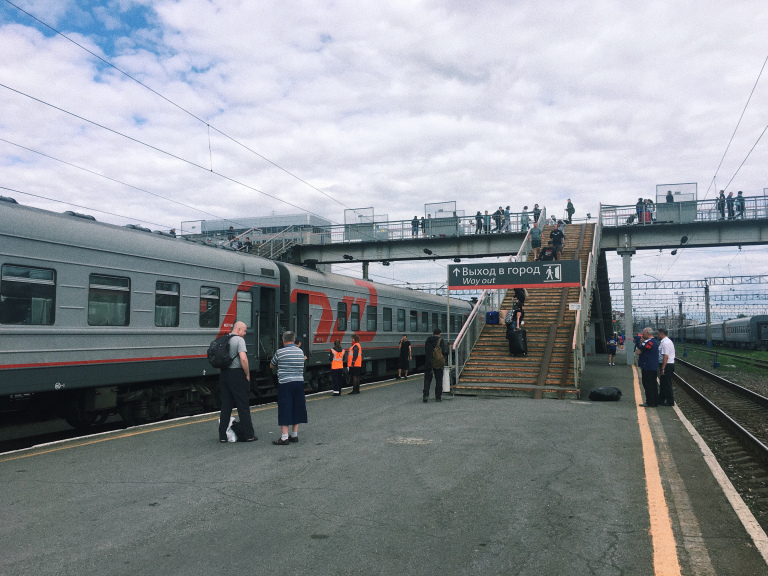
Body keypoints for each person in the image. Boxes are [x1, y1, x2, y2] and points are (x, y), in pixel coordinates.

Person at [218, 321, 256, 442]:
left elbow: (219, 360)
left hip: (224, 374)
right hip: (237, 374)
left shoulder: (223, 340)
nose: (245, 333)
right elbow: (243, 358)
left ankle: (223, 436)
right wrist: (247, 374)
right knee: (243, 405)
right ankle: (249, 435)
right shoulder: (239, 340)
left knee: (226, 405)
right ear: (238, 329)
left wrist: (223, 373)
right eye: (244, 331)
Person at [270, 330, 308, 445]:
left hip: (285, 383)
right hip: (299, 383)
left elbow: (271, 365)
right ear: (294, 340)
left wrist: (280, 367)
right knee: (297, 406)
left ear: (283, 340)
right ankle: (294, 435)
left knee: (285, 406)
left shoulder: (280, 352)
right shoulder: (300, 352)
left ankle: (284, 437)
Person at [635, 327, 659, 407]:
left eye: (644, 333)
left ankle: (650, 402)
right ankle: (655, 401)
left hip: (647, 366)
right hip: (652, 366)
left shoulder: (648, 342)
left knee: (648, 384)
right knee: (653, 384)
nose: (642, 334)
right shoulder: (654, 341)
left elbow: (638, 352)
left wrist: (641, 344)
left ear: (648, 333)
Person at [423, 329, 448, 402]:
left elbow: (426, 350)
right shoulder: (440, 340)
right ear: (440, 334)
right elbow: (443, 352)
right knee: (439, 380)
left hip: (428, 362)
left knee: (427, 380)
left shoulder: (428, 340)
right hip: (437, 363)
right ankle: (438, 397)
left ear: (433, 333)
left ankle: (425, 395)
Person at [657, 328, 675, 406]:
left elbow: (665, 356)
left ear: (662, 334)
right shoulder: (665, 341)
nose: (657, 335)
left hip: (667, 365)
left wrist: (663, 368)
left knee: (667, 384)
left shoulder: (665, 343)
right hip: (667, 364)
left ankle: (670, 401)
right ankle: (661, 399)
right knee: (663, 383)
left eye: (658, 334)